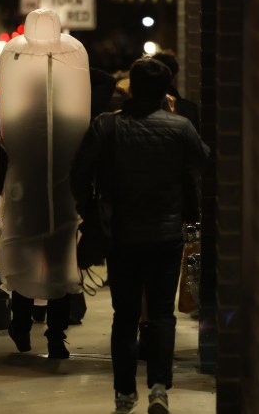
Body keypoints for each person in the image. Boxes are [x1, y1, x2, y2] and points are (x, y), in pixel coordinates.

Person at [70, 57, 210, 414]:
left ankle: (124, 393)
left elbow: (79, 173)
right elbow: (204, 162)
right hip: (165, 234)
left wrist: (91, 211)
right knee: (162, 314)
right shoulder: (180, 127)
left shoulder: (107, 126)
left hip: (122, 234)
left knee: (125, 316)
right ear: (165, 89)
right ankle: (159, 388)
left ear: (131, 87)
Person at [0, 8, 91, 359]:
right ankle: (45, 332)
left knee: (49, 260)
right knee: (48, 259)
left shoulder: (35, 117)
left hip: (46, 194)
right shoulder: (62, 118)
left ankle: (37, 329)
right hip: (45, 194)